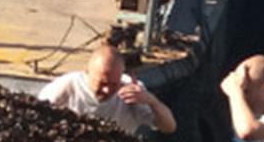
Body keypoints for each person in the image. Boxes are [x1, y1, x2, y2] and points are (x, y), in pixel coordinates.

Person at [38, 42, 177, 136]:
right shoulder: (68, 86)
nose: (106, 90)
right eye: (102, 83)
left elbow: (169, 127)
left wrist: (152, 101)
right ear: (87, 71)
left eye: (113, 84)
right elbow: (37, 115)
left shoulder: (131, 91)